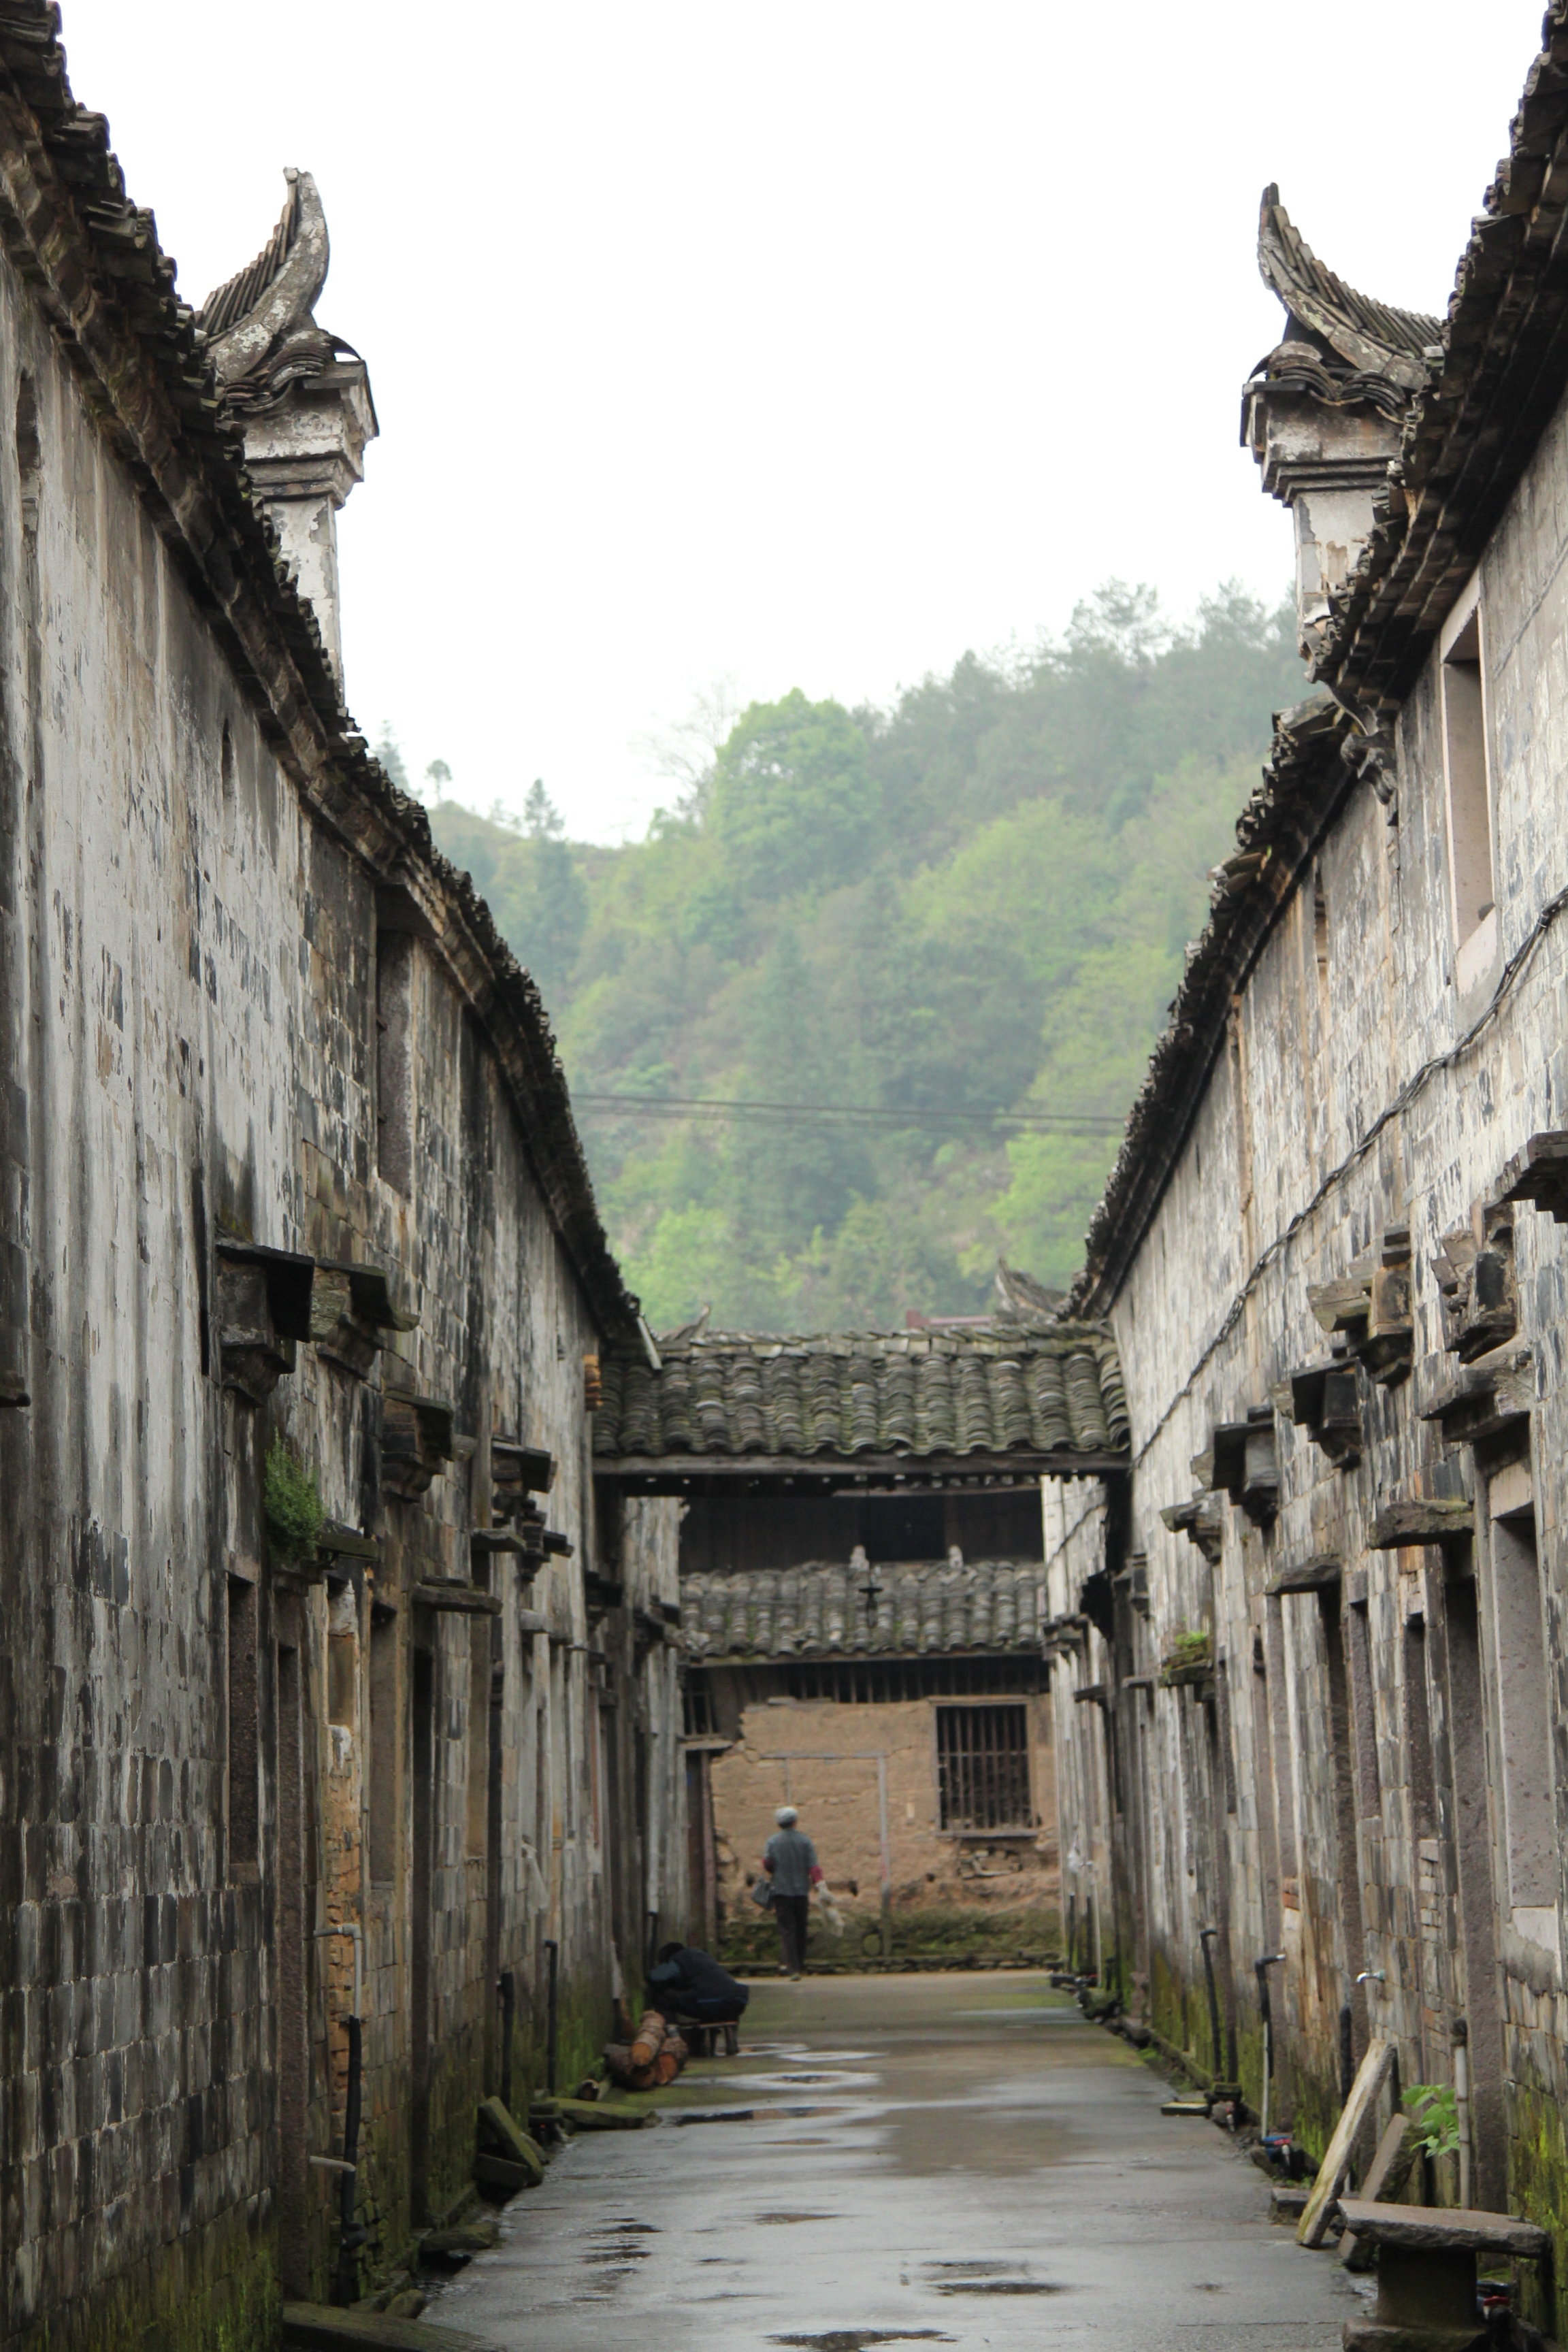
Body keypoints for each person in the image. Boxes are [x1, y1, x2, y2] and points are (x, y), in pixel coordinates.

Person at [762, 1804, 823, 1979]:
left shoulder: (772, 1842)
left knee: (787, 1930)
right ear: (795, 1822)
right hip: (801, 1892)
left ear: (779, 1823)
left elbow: (768, 1864)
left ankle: (793, 1968)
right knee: (801, 1928)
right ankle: (800, 1964)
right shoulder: (805, 1841)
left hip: (781, 1891)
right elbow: (814, 1868)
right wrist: (821, 1886)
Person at [647, 1942, 750, 2033]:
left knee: (661, 1997)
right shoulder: (703, 1957)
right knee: (715, 1999)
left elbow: (654, 1977)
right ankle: (732, 2040)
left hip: (707, 2003)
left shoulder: (677, 1958)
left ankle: (673, 2035)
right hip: (738, 2001)